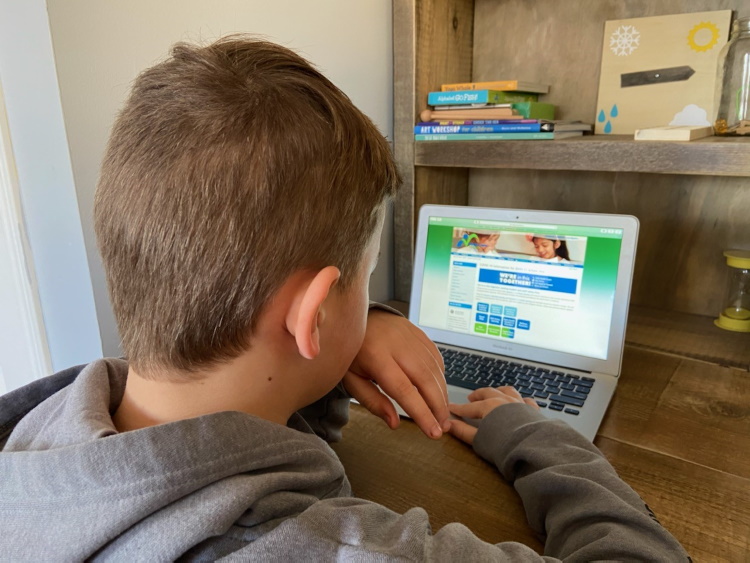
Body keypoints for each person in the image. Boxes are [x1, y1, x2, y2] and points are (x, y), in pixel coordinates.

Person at [0, 37, 689, 561]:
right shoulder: (329, 546)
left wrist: (348, 335)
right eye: (367, 278)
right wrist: (538, 435)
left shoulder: (44, 428)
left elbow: (255, 436)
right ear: (314, 312)